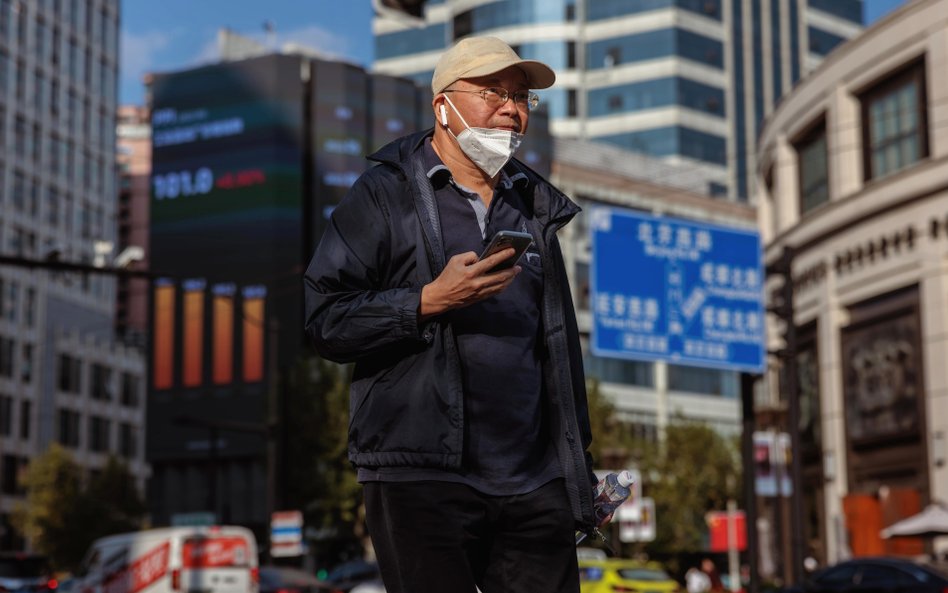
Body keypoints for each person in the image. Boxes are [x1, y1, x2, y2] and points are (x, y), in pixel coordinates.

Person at [303, 35, 597, 593]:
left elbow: (557, 347)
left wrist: (574, 470)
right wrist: (427, 301)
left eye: (521, 98)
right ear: (444, 104)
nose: (511, 111)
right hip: (421, 474)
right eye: (493, 93)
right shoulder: (383, 195)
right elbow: (325, 319)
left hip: (533, 482)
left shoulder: (535, 206)